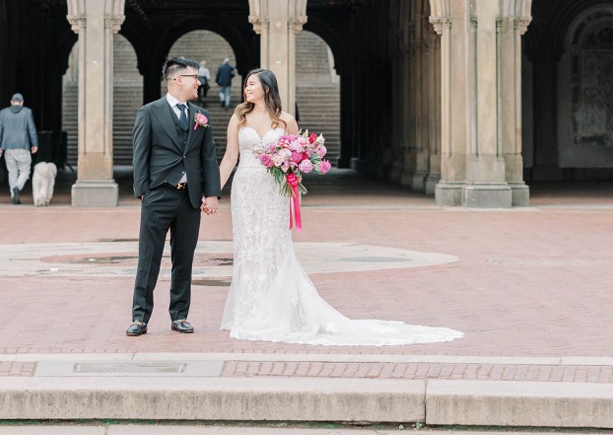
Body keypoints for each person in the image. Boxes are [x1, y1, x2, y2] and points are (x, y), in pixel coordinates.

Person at [217, 69, 462, 346]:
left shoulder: (286, 120)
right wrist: (213, 192)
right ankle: (248, 312)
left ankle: (277, 313)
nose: (246, 88)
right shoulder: (238, 117)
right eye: (246, 84)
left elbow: (295, 160)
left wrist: (289, 175)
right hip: (246, 190)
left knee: (274, 246)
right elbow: (229, 159)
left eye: (251, 84)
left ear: (267, 88)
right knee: (249, 247)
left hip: (274, 193)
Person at [128, 56, 219, 336]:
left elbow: (208, 157)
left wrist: (211, 194)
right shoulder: (150, 112)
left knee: (184, 258)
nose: (199, 83)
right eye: (195, 78)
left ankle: (179, 315)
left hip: (189, 198)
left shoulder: (200, 116)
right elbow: (140, 153)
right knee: (149, 257)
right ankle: (140, 317)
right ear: (178, 80)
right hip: (159, 194)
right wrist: (143, 190)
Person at [0, 92, 38, 205]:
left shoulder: (3, 113)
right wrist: (35, 144)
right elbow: (31, 129)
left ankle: (14, 196)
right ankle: (17, 187)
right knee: (25, 170)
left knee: (12, 172)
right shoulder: (27, 112)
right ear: (22, 102)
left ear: (12, 102)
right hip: (23, 146)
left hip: (8, 147)